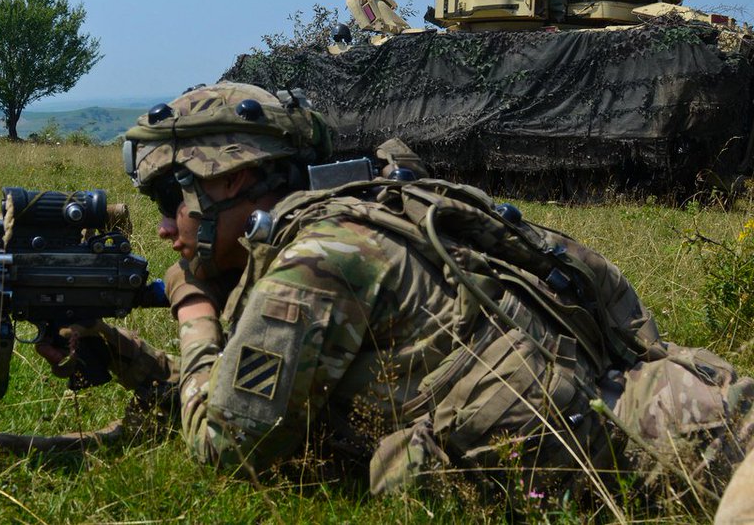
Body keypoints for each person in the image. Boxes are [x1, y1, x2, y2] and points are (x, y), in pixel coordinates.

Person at [39, 81, 754, 509]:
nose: (165, 227)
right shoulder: (360, 213)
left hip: (671, 449)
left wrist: (193, 313)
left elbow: (229, 446)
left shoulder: (315, 261)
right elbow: (278, 395)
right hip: (667, 403)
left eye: (174, 196)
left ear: (231, 180)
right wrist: (130, 359)